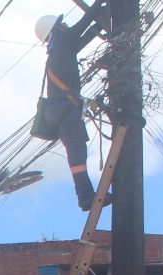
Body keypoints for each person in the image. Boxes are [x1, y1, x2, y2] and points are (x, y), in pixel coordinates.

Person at [36, 12, 108, 211]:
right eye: (61, 24)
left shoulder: (60, 49)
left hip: (57, 112)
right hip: (64, 109)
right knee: (77, 154)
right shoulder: (61, 43)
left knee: (76, 154)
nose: (65, 25)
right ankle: (85, 198)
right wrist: (98, 7)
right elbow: (82, 25)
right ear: (55, 30)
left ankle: (85, 197)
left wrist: (100, 25)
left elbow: (83, 37)